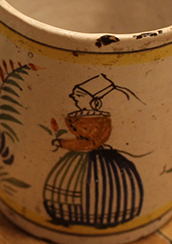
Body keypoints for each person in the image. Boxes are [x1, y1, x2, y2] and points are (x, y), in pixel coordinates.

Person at [44, 75, 144, 228]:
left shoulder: (97, 120)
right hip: (86, 157)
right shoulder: (89, 117)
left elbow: (89, 143)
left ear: (95, 101)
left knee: (94, 185)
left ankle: (98, 216)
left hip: (93, 158)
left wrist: (63, 143)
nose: (73, 97)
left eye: (78, 95)